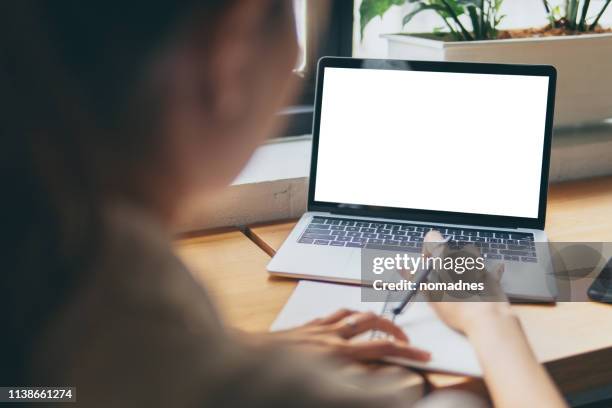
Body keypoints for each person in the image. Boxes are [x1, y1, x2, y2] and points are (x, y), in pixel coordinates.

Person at [0, 1, 566, 407]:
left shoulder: (45, 268)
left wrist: (232, 345)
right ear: (231, 45)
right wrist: (488, 319)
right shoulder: (231, 385)